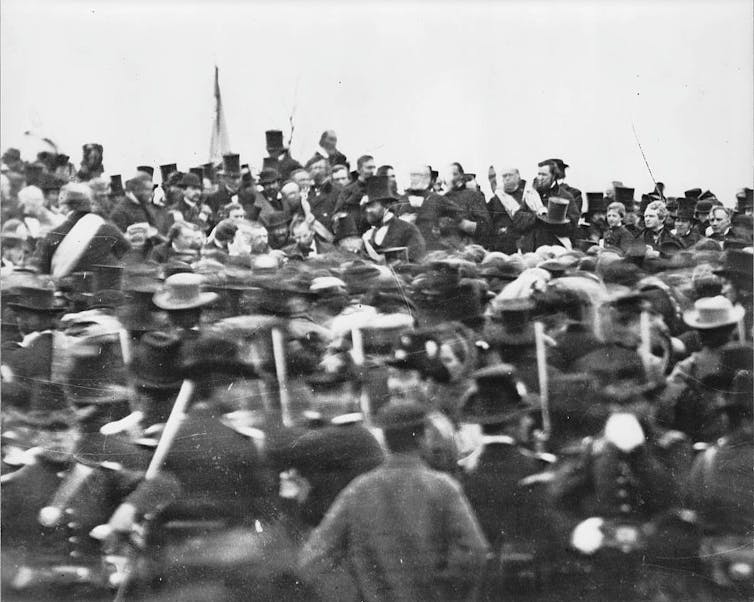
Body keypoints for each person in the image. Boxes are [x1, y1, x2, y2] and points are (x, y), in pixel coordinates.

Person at [298, 401, 490, 602]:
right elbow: (475, 550)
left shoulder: (359, 490)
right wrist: (446, 592)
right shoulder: (442, 487)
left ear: (386, 443)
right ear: (423, 438)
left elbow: (312, 559)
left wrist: (355, 594)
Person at [32, 183, 131, 277]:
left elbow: (44, 271)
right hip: (104, 287)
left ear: (65, 207)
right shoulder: (107, 228)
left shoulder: (54, 235)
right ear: (89, 205)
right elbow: (126, 251)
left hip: (67, 291)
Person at [394, 165, 462, 251]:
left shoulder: (436, 199)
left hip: (430, 252)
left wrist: (444, 230)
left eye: (421, 176)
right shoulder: (400, 201)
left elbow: (460, 215)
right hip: (407, 252)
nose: (417, 179)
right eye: (414, 175)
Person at [361, 175, 426, 263]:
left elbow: (416, 263)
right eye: (366, 207)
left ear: (387, 205)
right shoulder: (369, 235)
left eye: (372, 206)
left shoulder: (408, 230)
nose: (368, 210)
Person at [443, 162, 491, 246]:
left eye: (454, 174)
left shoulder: (473, 196)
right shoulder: (439, 199)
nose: (451, 178)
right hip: (444, 248)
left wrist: (462, 223)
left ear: (461, 176)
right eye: (448, 175)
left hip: (467, 249)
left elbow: (485, 227)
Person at [486, 167, 527, 253]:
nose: (507, 178)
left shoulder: (527, 194)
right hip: (501, 244)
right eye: (504, 176)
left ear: (518, 176)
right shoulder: (496, 199)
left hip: (523, 241)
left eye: (510, 175)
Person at [333, 154, 376, 233]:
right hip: (354, 233)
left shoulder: (378, 189)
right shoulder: (347, 191)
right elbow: (337, 215)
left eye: (373, 167)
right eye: (368, 168)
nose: (372, 171)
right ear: (359, 170)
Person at [534, 159, 580, 225]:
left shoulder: (569, 195)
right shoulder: (534, 192)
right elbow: (519, 217)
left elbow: (573, 223)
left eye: (544, 174)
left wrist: (546, 215)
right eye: (539, 174)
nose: (540, 178)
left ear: (554, 175)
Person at [304, 155, 340, 227]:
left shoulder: (336, 189)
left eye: (320, 168)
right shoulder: (307, 190)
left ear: (326, 170)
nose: (317, 171)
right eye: (314, 168)